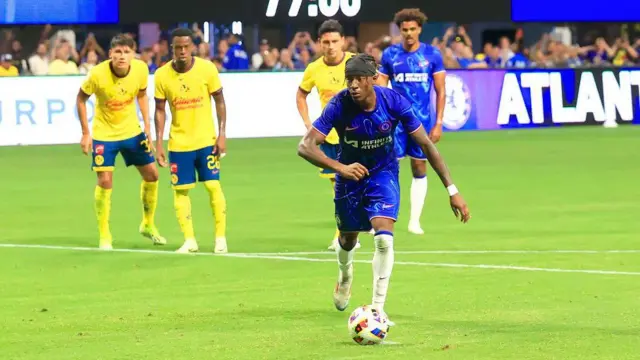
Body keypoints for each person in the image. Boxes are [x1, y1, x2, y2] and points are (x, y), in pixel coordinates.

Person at [297, 54, 470, 323]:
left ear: (373, 79)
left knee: (383, 238)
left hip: (383, 173)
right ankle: (345, 274)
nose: (353, 85)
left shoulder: (394, 102)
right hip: (349, 176)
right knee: (348, 239)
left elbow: (426, 145)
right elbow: (305, 147)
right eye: (349, 80)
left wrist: (452, 190)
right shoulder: (339, 104)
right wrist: (340, 168)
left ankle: (377, 309)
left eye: (359, 79)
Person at [76, 34, 165, 250]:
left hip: (132, 131)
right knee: (105, 181)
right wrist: (86, 133)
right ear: (110, 55)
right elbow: (80, 99)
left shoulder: (141, 69)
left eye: (126, 52)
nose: (122, 56)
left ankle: (148, 224)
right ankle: (105, 234)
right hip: (104, 134)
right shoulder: (97, 74)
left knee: (152, 175)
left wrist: (146, 125)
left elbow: (142, 95)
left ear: (133, 54)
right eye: (118, 52)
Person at [154, 28, 228, 254]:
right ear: (172, 48)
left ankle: (220, 238)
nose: (182, 51)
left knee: (213, 185)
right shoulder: (161, 75)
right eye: (178, 47)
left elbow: (220, 102)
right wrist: (158, 142)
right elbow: (159, 110)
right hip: (179, 143)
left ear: (193, 47)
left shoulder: (207, 69)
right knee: (181, 191)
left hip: (206, 139)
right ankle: (189, 240)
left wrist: (222, 133)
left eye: (186, 47)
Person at [296, 19, 366, 251]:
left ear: (343, 41)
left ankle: (346, 232)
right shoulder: (314, 69)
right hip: (330, 139)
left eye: (335, 41)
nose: (331, 46)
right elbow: (301, 95)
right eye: (326, 42)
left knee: (351, 183)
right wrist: (309, 124)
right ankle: (348, 230)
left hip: (358, 136)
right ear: (319, 43)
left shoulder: (356, 63)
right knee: (340, 186)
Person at [377, 8, 446, 235]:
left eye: (412, 29)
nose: (408, 33)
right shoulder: (390, 55)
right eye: (404, 30)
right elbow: (379, 88)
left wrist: (438, 123)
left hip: (421, 123)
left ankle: (414, 221)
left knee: (419, 166)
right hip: (394, 124)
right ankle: (382, 216)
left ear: (419, 29)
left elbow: (441, 90)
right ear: (400, 30)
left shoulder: (432, 55)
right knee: (388, 167)